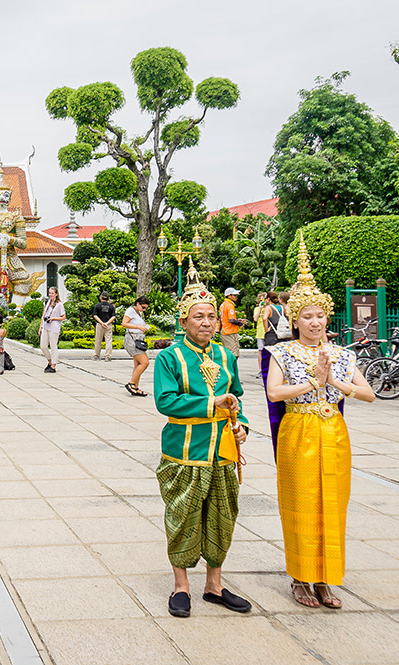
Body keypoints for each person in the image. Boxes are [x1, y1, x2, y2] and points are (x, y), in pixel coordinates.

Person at [265, 232, 375, 610]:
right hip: (298, 429)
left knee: (333, 503)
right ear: (294, 320)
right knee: (301, 502)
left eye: (319, 316)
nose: (315, 322)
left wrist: (334, 382)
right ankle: (300, 577)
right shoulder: (282, 352)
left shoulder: (343, 354)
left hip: (333, 431)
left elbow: (369, 394)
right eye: (307, 316)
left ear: (328, 317)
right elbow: (274, 393)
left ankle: (327, 579)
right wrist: (312, 382)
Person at [153, 263, 251, 619]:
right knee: (182, 517)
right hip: (184, 451)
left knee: (221, 517)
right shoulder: (170, 357)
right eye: (199, 317)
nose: (207, 323)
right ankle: (181, 586)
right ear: (184, 322)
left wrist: (242, 427)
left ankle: (215, 584)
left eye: (212, 316)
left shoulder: (226, 356)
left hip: (223, 452)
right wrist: (212, 403)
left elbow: (237, 398)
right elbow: (166, 402)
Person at [122, 296, 151, 396]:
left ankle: (135, 387)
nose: (144, 309)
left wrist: (143, 327)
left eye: (146, 308)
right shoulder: (130, 310)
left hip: (138, 339)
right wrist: (138, 327)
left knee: (138, 365)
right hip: (132, 340)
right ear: (137, 303)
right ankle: (131, 383)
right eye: (143, 307)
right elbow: (124, 323)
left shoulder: (139, 313)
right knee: (145, 362)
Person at [40, 287, 67, 373]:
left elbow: (64, 317)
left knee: (53, 346)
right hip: (46, 326)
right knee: (43, 346)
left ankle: (53, 366)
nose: (50, 295)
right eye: (49, 293)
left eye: (52, 293)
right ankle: (50, 361)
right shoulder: (47, 302)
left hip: (54, 327)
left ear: (56, 294)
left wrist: (53, 318)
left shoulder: (59, 304)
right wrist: (41, 326)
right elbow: (43, 315)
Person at [219, 288, 248, 357]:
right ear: (229, 296)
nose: (236, 297)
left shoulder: (223, 304)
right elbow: (231, 320)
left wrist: (238, 320)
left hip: (225, 331)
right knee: (233, 355)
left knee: (229, 354)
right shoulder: (230, 305)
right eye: (234, 295)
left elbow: (225, 318)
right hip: (229, 332)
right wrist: (240, 324)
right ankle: (230, 368)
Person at [92, 292, 117, 362]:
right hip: (108, 325)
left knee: (98, 340)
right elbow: (113, 316)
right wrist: (107, 323)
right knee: (108, 340)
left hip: (100, 324)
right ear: (108, 298)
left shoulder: (97, 306)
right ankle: (108, 356)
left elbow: (95, 315)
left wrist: (101, 323)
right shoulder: (111, 306)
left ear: (101, 298)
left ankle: (97, 355)